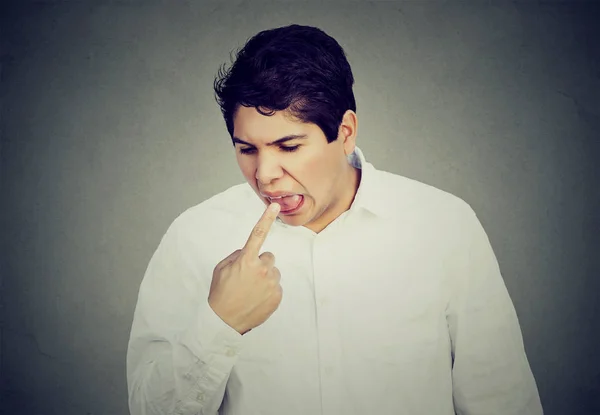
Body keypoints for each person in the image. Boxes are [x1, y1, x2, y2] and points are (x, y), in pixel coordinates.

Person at [126, 24, 543, 415]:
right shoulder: (195, 237)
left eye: (288, 146)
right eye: (246, 149)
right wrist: (220, 325)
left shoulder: (444, 227)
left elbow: (502, 399)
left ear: (345, 132)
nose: (265, 174)